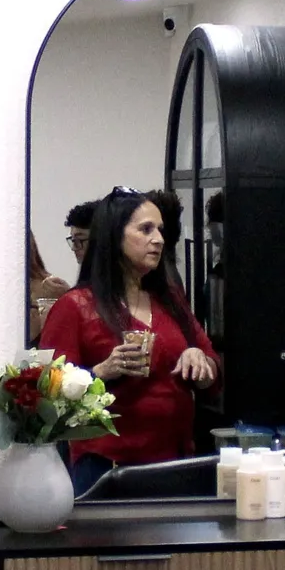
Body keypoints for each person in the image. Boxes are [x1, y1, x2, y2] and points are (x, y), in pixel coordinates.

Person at [35, 187, 220, 490]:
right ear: (114, 236)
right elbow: (47, 394)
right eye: (145, 229)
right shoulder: (76, 306)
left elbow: (213, 374)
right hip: (107, 469)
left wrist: (199, 361)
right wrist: (102, 372)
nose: (158, 239)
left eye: (160, 230)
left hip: (176, 463)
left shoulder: (169, 299)